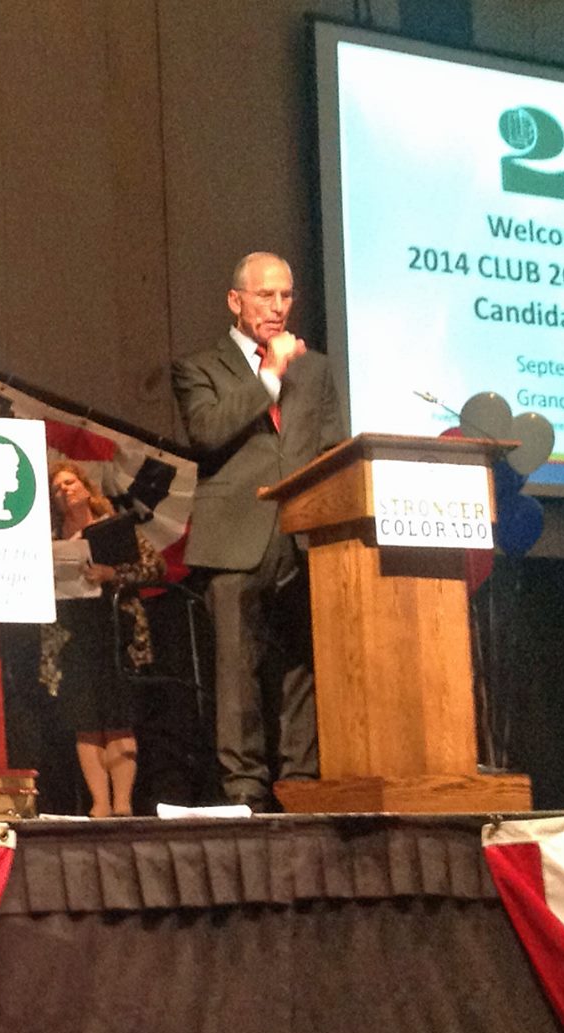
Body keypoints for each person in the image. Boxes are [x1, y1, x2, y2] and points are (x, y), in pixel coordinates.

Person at [171, 252, 346, 809]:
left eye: (286, 296)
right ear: (235, 301)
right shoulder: (199, 367)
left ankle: (301, 780)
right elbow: (207, 432)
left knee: (302, 668)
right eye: (265, 296)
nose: (277, 307)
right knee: (236, 672)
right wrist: (269, 373)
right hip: (234, 535)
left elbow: (332, 450)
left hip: (301, 533)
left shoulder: (315, 370)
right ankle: (243, 785)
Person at [42, 461, 166, 817]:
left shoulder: (113, 528)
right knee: (85, 721)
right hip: (72, 633)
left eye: (69, 482)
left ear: (86, 488)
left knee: (117, 717)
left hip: (114, 631)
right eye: (56, 488)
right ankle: (99, 803)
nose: (64, 490)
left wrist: (112, 574)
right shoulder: (49, 538)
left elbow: (155, 567)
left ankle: (123, 803)